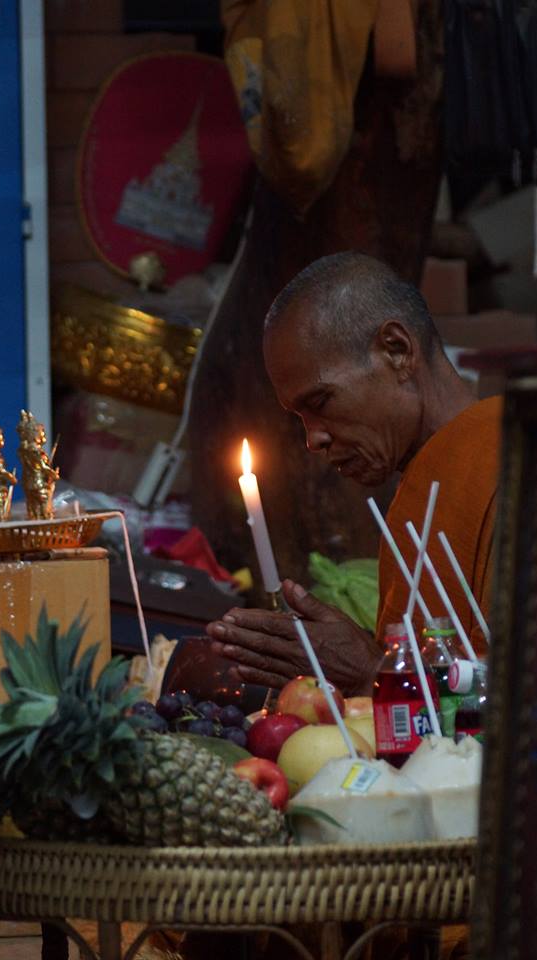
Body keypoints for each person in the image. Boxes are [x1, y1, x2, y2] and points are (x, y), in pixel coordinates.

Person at [206, 252, 502, 696]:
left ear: (397, 351)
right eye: (299, 418)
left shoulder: (518, 465)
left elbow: (530, 705)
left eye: (321, 403)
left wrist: (373, 672)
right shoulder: (422, 483)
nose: (313, 441)